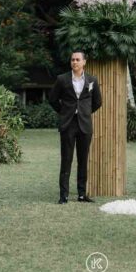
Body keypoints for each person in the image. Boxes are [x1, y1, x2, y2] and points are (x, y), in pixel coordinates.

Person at [49, 51, 102, 204]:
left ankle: (82, 194)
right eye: (72, 59)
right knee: (66, 160)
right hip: (68, 124)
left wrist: (85, 112)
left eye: (78, 59)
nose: (75, 62)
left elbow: (98, 102)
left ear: (84, 62)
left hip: (85, 124)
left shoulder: (92, 80)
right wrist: (64, 112)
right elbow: (52, 99)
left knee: (83, 160)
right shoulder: (62, 79)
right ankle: (63, 195)